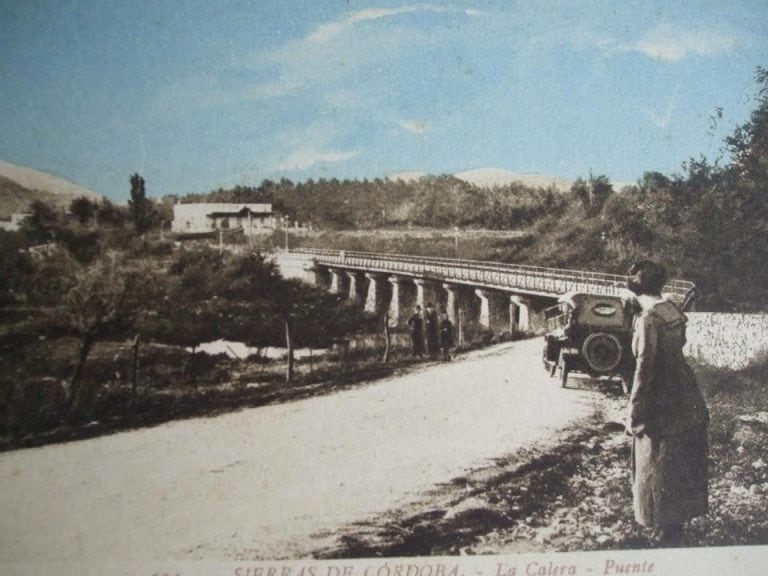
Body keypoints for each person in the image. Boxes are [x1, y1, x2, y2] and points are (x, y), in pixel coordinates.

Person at [625, 260, 709, 547]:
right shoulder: (672, 310)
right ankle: (675, 525)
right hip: (685, 394)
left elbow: (644, 369)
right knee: (678, 463)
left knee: (655, 464)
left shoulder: (649, 319)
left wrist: (634, 412)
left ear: (634, 289)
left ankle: (664, 530)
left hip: (660, 401)